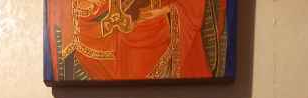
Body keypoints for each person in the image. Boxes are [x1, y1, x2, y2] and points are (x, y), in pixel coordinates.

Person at [45, 0, 215, 81]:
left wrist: (164, 10)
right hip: (131, 21)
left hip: (162, 22)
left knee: (131, 38)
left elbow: (193, 5)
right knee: (110, 37)